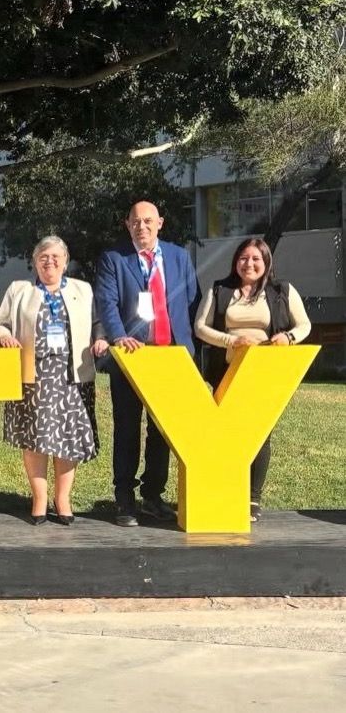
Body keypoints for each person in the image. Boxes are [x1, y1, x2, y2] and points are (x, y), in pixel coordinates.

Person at [95, 200, 200, 527]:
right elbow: (107, 303)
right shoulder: (114, 258)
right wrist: (119, 336)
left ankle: (153, 495)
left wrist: (189, 348)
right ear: (127, 225)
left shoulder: (179, 256)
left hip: (170, 357)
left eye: (148, 221)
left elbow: (191, 301)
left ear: (160, 223)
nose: (142, 227)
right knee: (127, 428)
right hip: (132, 356)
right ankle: (124, 499)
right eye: (135, 222)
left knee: (162, 431)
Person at [194, 237, 311, 522]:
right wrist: (231, 340)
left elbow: (304, 325)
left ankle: (252, 499)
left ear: (266, 262)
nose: (249, 264)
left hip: (264, 374)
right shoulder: (219, 289)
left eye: (256, 258)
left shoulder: (282, 290)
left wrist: (288, 337)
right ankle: (225, 490)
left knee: (259, 437)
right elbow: (200, 327)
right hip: (227, 373)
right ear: (236, 261)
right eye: (244, 258)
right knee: (225, 434)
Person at [0, 236, 108, 525]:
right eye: (43, 256)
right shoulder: (19, 290)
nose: (50, 261)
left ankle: (63, 499)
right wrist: (3, 335)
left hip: (72, 377)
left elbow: (98, 322)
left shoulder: (82, 289)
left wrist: (100, 339)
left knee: (67, 438)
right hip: (34, 377)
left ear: (66, 261)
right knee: (36, 437)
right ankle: (39, 498)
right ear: (34, 262)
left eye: (56, 256)